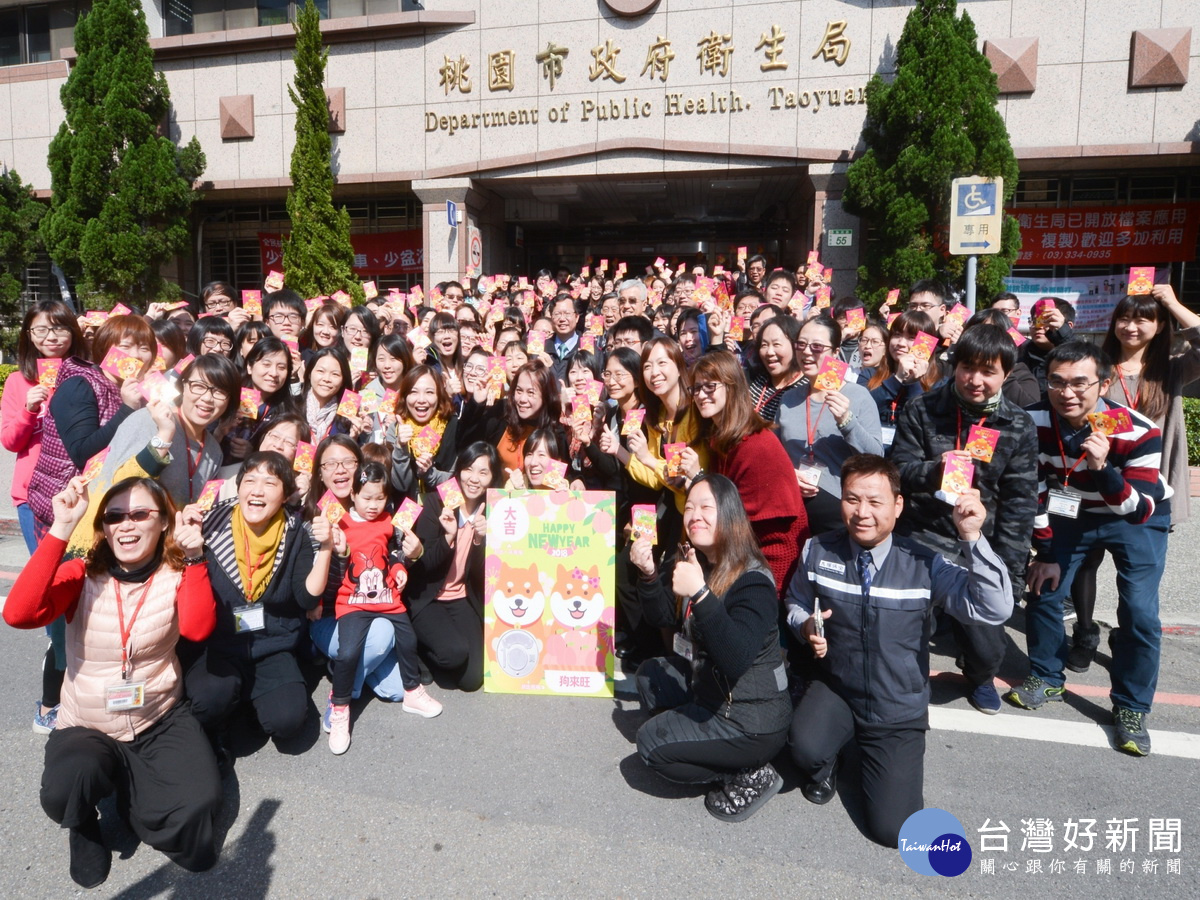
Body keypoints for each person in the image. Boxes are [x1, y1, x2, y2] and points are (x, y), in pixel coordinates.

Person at [785, 454, 1013, 847]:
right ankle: (834, 757)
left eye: (875, 502)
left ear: (898, 505)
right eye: (852, 499)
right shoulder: (818, 550)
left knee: (895, 831)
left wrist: (973, 539)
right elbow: (795, 602)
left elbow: (993, 608)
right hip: (837, 686)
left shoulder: (924, 562)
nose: (862, 513)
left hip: (896, 705)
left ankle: (873, 752)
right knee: (803, 752)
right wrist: (805, 625)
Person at [4, 476, 221, 887]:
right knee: (65, 788)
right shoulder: (82, 573)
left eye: (140, 514)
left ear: (163, 522)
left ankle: (131, 795)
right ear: (103, 527)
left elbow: (196, 628)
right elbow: (18, 614)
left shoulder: (177, 570)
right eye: (115, 516)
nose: (126, 525)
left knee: (198, 828)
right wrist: (62, 528)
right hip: (87, 722)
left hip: (157, 717)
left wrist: (195, 559)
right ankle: (83, 823)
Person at [1009, 342, 1171, 757]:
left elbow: (1137, 507)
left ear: (1105, 382)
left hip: (1134, 514)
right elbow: (1034, 489)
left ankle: (1132, 707)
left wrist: (1103, 468)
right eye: (1057, 382)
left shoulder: (1135, 430)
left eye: (1081, 382)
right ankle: (1046, 675)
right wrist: (1044, 553)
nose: (1068, 393)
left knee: (1139, 611)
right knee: (1044, 587)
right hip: (1069, 510)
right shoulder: (1032, 421)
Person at [889, 325, 1037, 713]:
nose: (975, 380)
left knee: (987, 644)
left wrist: (1010, 573)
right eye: (968, 368)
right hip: (921, 534)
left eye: (989, 371)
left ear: (1007, 373)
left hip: (978, 540)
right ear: (954, 366)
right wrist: (934, 471)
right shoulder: (923, 408)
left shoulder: (1018, 425)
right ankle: (907, 681)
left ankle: (980, 676)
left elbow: (1019, 503)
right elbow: (897, 470)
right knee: (909, 624)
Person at [630, 474, 792, 822]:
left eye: (706, 507)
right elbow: (662, 616)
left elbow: (734, 659)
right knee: (650, 677)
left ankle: (748, 773)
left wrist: (701, 594)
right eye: (689, 507)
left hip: (751, 719)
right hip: (710, 687)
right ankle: (705, 743)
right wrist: (647, 574)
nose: (694, 516)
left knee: (650, 746)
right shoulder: (697, 558)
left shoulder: (753, 580)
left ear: (730, 514)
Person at [1061, 284, 1200, 671]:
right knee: (1085, 563)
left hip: (1148, 489)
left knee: (1136, 580)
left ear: (1159, 325)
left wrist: (1173, 303)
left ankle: (1126, 632)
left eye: (1143, 318)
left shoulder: (1171, 366)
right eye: (1124, 317)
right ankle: (1085, 633)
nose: (1131, 326)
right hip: (1095, 479)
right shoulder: (1098, 367)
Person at [183, 451, 336, 762]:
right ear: (238, 488)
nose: (257, 490)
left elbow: (306, 598)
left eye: (270, 482)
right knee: (209, 701)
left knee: (288, 723)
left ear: (285, 495)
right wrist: (185, 545)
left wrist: (326, 548)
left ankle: (247, 706)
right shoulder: (208, 523)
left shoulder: (295, 531)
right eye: (249, 480)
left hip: (272, 644)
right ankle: (225, 710)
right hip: (221, 644)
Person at [1, 300, 86, 732]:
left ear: (73, 332)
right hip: (33, 497)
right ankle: (53, 685)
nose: (51, 338)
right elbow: (11, 441)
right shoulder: (19, 381)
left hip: (79, 494)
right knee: (49, 583)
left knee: (81, 581)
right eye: (40, 331)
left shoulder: (85, 376)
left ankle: (78, 662)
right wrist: (30, 407)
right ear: (28, 337)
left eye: (58, 329)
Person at [66, 355, 242, 557]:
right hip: (96, 546)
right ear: (183, 387)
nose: (207, 398)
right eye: (198, 386)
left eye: (219, 391)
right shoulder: (147, 420)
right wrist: (164, 435)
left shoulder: (213, 450)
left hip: (149, 553)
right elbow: (121, 485)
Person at [326, 461, 442, 754]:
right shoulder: (340, 522)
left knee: (408, 640)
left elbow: (393, 552)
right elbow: (330, 562)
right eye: (366, 497)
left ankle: (413, 691)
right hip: (353, 600)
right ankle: (340, 707)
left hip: (388, 597)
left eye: (379, 498)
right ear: (352, 494)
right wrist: (336, 548)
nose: (373, 505)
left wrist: (401, 566)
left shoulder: (390, 522)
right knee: (349, 650)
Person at [689, 351, 808, 597]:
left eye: (710, 386)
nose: (701, 395)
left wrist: (698, 478)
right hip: (739, 557)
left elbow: (768, 525)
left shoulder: (757, 444)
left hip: (770, 563)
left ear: (732, 386)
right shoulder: (720, 439)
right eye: (696, 388)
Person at [27, 315, 156, 534]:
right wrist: (127, 409)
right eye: (125, 346)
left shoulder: (139, 390)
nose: (135, 356)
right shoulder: (79, 385)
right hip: (67, 510)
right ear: (105, 350)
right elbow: (82, 452)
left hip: (111, 508)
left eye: (144, 348)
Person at [405, 443, 499, 692]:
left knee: (472, 680)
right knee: (453, 654)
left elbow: (483, 575)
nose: (474, 479)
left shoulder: (491, 510)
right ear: (459, 470)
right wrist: (447, 538)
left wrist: (480, 540)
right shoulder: (439, 501)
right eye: (469, 469)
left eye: (483, 472)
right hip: (428, 597)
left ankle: (439, 645)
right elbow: (422, 566)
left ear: (492, 478)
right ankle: (417, 648)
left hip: (460, 596)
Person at [776, 316, 883, 534]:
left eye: (817, 346)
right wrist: (789, 473)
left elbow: (876, 458)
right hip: (791, 510)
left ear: (835, 353)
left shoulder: (857, 396)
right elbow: (775, 455)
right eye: (801, 344)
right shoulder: (788, 399)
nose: (807, 352)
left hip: (838, 516)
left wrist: (847, 421)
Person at [746, 315, 804, 422]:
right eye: (764, 345)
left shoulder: (805, 388)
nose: (769, 352)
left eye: (776, 344)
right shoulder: (755, 378)